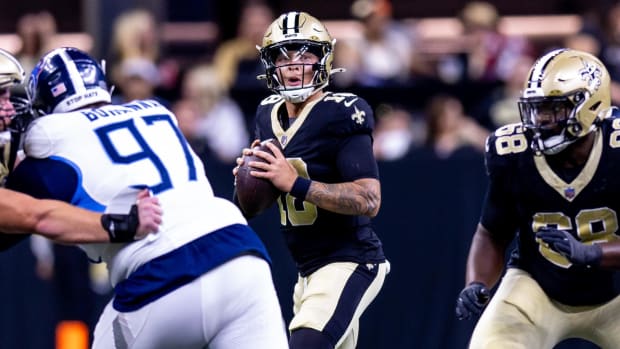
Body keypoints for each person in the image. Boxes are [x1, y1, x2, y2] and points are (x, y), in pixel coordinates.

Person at [8, 47, 288, 349]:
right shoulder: (155, 112)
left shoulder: (51, 137)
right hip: (242, 258)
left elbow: (17, 215)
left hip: (164, 273)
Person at [233, 11, 389, 349]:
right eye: (282, 55)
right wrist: (249, 183)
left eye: (304, 54)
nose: (293, 64)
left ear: (324, 59)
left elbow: (368, 199)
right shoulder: (266, 114)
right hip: (307, 272)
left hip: (351, 261)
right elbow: (252, 206)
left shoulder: (342, 111)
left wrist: (296, 183)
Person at [454, 48, 620, 348]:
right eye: (536, 108)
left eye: (553, 108)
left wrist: (593, 254)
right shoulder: (514, 153)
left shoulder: (616, 149)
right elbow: (492, 231)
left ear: (591, 105)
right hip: (538, 288)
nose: (540, 119)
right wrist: (476, 282)